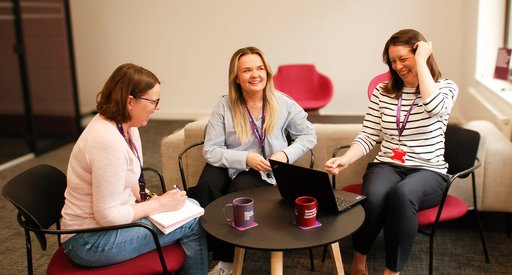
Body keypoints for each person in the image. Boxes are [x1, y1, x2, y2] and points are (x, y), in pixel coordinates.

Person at [325, 29, 458, 275]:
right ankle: (359, 260)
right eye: (392, 60)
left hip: (428, 170)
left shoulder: (445, 87)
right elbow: (368, 135)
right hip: (387, 164)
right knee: (374, 196)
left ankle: (391, 271)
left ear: (420, 54)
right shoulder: (383, 91)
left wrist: (421, 61)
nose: (397, 66)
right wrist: (346, 158)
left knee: (403, 194)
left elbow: (433, 107)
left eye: (403, 58)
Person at [60, 63, 208, 274]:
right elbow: (108, 216)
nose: (157, 107)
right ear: (130, 101)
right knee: (191, 220)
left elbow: (126, 181)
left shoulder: (126, 127)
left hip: (106, 226)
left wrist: (154, 200)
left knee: (190, 205)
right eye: (153, 101)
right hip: (88, 240)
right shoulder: (106, 141)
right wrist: (158, 205)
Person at [187, 46, 317, 275]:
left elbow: (308, 135)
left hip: (265, 170)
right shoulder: (224, 105)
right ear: (236, 78)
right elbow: (211, 150)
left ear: (267, 73)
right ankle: (203, 245)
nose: (255, 75)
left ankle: (226, 260)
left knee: (239, 190)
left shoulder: (283, 102)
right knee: (206, 187)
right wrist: (245, 158)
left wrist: (285, 155)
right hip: (230, 162)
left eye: (259, 68)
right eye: (247, 70)